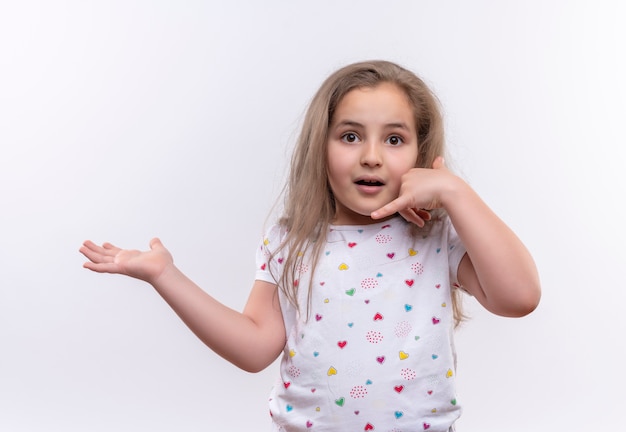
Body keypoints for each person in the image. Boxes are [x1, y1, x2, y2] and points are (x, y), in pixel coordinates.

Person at [80, 60, 541, 431]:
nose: (372, 155)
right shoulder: (292, 241)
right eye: (350, 135)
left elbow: (519, 297)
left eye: (394, 139)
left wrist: (456, 193)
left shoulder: (437, 237)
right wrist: (166, 275)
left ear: (421, 155)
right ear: (321, 148)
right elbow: (255, 347)